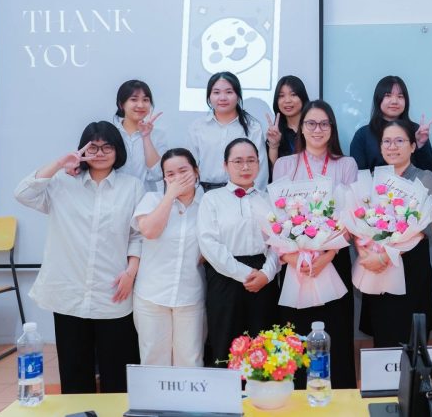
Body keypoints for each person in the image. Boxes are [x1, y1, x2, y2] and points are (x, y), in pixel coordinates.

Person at [14, 121, 143, 394]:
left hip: (113, 289)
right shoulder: (62, 182)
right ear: (82, 150)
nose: (100, 153)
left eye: (107, 147)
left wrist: (131, 272)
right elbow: (23, 193)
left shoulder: (132, 186)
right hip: (69, 289)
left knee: (117, 372)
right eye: (93, 147)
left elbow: (137, 235)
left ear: (118, 150)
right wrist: (60, 163)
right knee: (74, 371)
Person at [272, 100, 357, 388]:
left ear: (332, 128)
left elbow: (351, 216)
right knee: (296, 337)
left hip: (333, 258)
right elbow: (276, 216)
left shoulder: (346, 164)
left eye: (323, 124)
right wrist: (292, 258)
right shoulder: (284, 164)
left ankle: (340, 397)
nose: (317, 129)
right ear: (301, 128)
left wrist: (328, 255)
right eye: (311, 123)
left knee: (337, 333)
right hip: (295, 262)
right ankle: (298, 395)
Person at [198, 138, 280, 366]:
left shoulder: (269, 199)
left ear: (259, 163)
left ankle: (262, 389)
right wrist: (245, 274)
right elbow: (209, 244)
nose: (245, 167)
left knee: (263, 345)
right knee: (227, 343)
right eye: (238, 161)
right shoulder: (212, 199)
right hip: (225, 278)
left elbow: (279, 243)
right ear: (225, 165)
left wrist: (267, 274)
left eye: (251, 160)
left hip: (264, 279)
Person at [357, 120, 432, 348]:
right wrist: (365, 254)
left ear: (412, 146)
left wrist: (385, 256)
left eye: (399, 141)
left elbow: (422, 228)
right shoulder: (372, 179)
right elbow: (359, 220)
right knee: (383, 331)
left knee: (411, 333)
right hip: (377, 266)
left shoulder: (424, 177)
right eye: (387, 141)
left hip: (410, 263)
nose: (392, 147)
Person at [132, 148, 205, 367]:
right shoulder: (152, 199)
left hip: (190, 295)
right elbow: (149, 231)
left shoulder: (207, 204)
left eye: (183, 171)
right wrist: (170, 195)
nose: (177, 178)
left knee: (190, 360)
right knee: (153, 358)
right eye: (170, 174)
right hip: (151, 294)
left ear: (196, 172)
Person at [188, 71, 267, 191]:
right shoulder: (198, 127)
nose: (223, 98)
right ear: (209, 97)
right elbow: (190, 166)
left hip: (241, 192)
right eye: (216, 92)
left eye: (229, 92)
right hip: (204, 192)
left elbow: (260, 168)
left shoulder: (252, 127)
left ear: (238, 96)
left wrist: (254, 195)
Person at [350, 75, 432, 173]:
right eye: (388, 95)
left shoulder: (416, 130)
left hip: (412, 183)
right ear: (378, 99)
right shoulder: (363, 135)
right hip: (374, 183)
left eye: (400, 96)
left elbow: (430, 170)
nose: (394, 101)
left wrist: (421, 145)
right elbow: (358, 174)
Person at [265, 75, 310, 166]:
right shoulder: (276, 134)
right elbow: (274, 170)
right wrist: (274, 145)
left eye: (293, 94)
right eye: (281, 96)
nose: (287, 100)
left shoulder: (314, 128)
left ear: (302, 97)